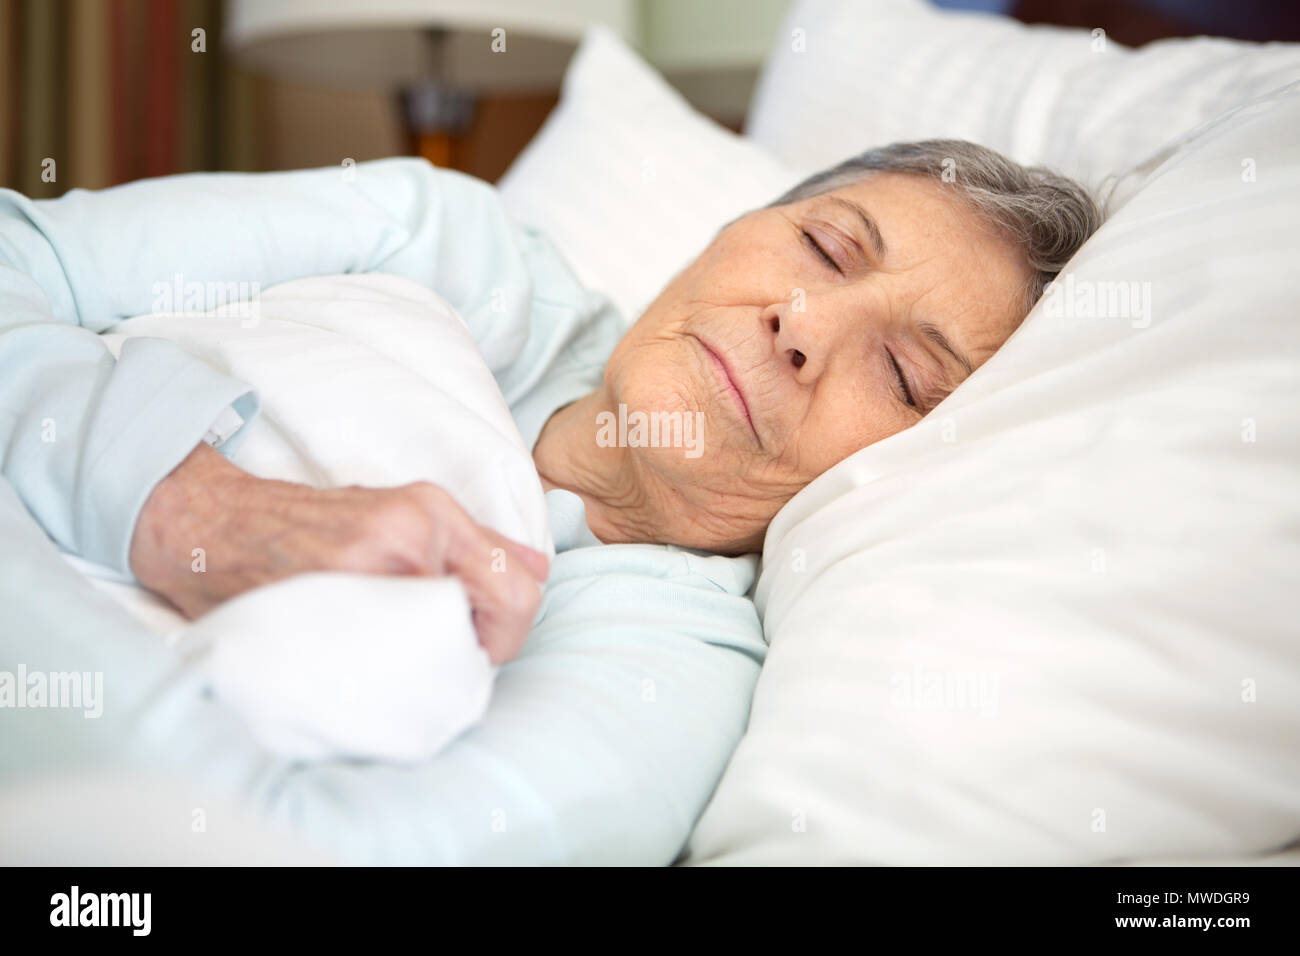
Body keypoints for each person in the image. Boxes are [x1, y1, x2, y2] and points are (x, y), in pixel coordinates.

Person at [0, 140, 1100, 863]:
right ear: (733, 228)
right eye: (823, 244)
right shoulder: (445, 247)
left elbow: (263, 852)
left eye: (905, 376)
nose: (805, 322)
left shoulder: (668, 672)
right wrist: (172, 497)